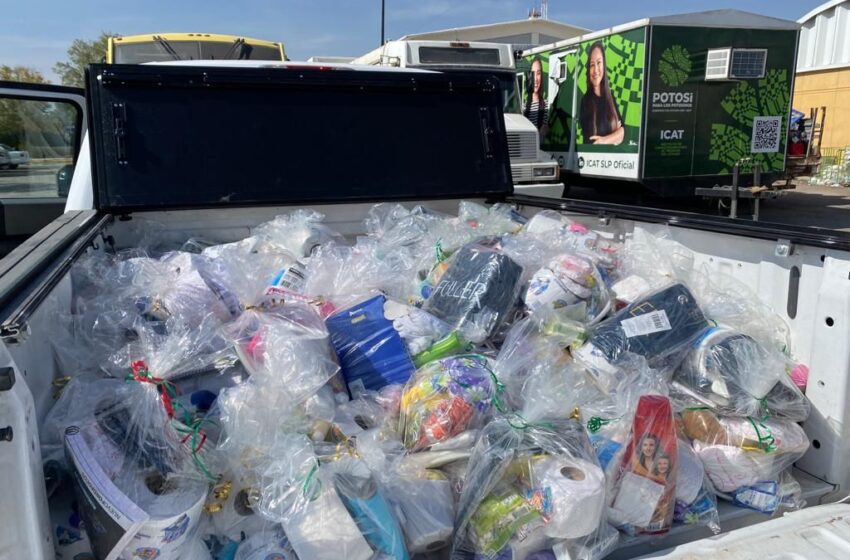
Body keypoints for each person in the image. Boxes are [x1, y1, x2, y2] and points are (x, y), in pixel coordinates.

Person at [580, 41, 624, 145]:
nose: (595, 70)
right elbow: (593, 141)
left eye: (599, 63)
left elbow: (623, 131)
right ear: (588, 69)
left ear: (604, 65)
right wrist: (615, 136)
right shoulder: (585, 101)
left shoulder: (610, 97)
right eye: (591, 65)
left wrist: (604, 140)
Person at [524, 57, 548, 136]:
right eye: (533, 74)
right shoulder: (523, 107)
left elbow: (543, 132)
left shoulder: (546, 105)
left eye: (538, 73)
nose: (535, 79)